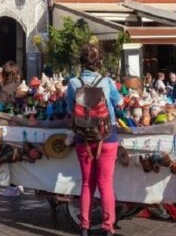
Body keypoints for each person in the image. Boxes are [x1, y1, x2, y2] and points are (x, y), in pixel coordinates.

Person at [65, 43, 124, 236]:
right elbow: (120, 102)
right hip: (107, 136)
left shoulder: (73, 83)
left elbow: (68, 109)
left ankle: (84, 227)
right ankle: (108, 228)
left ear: (81, 62)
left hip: (83, 138)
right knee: (106, 183)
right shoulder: (107, 82)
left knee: (86, 184)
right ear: (99, 63)